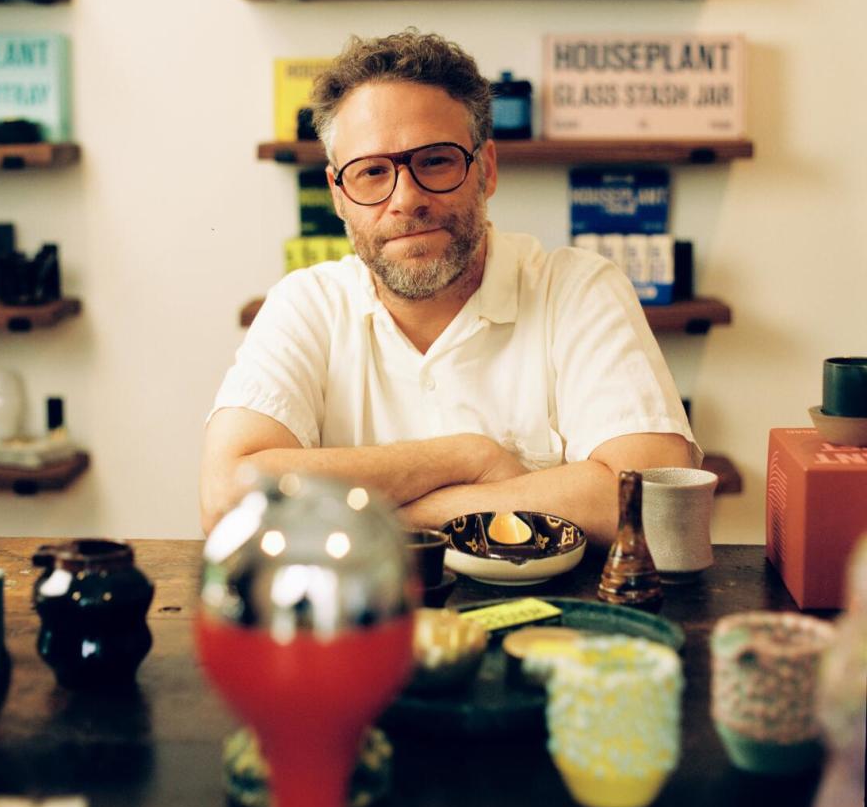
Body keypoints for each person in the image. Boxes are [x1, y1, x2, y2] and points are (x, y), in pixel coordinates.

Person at [201, 30, 698, 543]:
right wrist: (469, 456)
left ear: (485, 169)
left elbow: (653, 501)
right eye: (372, 171)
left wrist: (396, 517)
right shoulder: (305, 305)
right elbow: (227, 497)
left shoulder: (577, 290)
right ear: (338, 195)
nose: (407, 198)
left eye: (435, 160)